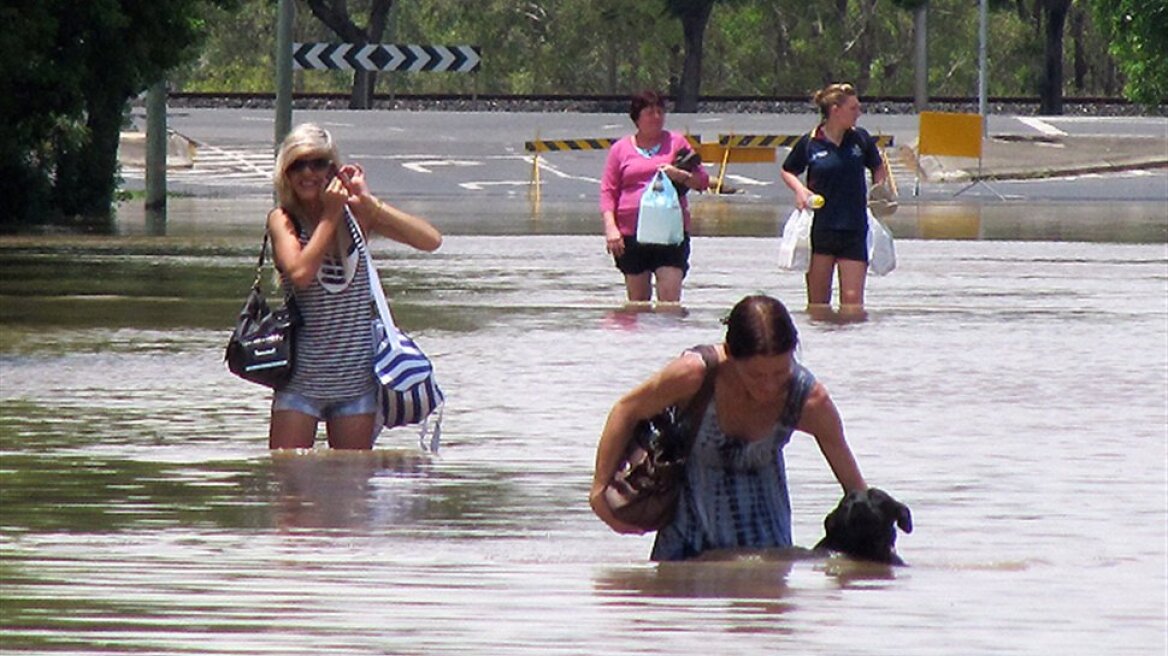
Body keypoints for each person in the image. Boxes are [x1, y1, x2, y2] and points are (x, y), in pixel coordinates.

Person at [589, 294, 868, 561]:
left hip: (766, 544)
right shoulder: (694, 375)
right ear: (731, 353)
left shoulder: (809, 400)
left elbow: (855, 490)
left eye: (780, 373)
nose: (769, 386)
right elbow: (626, 410)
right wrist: (599, 490)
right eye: (756, 375)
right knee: (671, 607)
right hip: (686, 532)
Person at [267, 123, 442, 450]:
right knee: (287, 486)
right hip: (300, 380)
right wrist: (330, 216)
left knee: (351, 488)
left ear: (332, 168)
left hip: (355, 381)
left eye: (318, 163)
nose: (309, 173)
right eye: (298, 165)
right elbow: (300, 273)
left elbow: (430, 240)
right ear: (285, 174)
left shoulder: (354, 214)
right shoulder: (283, 219)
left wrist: (369, 204)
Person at [780, 83, 887, 314]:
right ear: (835, 110)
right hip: (821, 229)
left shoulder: (860, 139)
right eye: (853, 108)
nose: (858, 113)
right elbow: (788, 170)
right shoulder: (811, 142)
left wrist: (880, 191)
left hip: (854, 228)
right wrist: (800, 191)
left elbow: (878, 167)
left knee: (853, 305)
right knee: (818, 306)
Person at [600, 90, 710, 304]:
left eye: (660, 112)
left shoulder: (677, 143)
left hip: (670, 232)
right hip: (632, 233)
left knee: (669, 303)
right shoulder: (620, 149)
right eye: (650, 112)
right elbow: (608, 191)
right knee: (637, 304)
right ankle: (641, 339)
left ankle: (670, 337)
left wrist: (680, 175)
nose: (656, 117)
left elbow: (702, 181)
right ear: (637, 117)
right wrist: (611, 228)